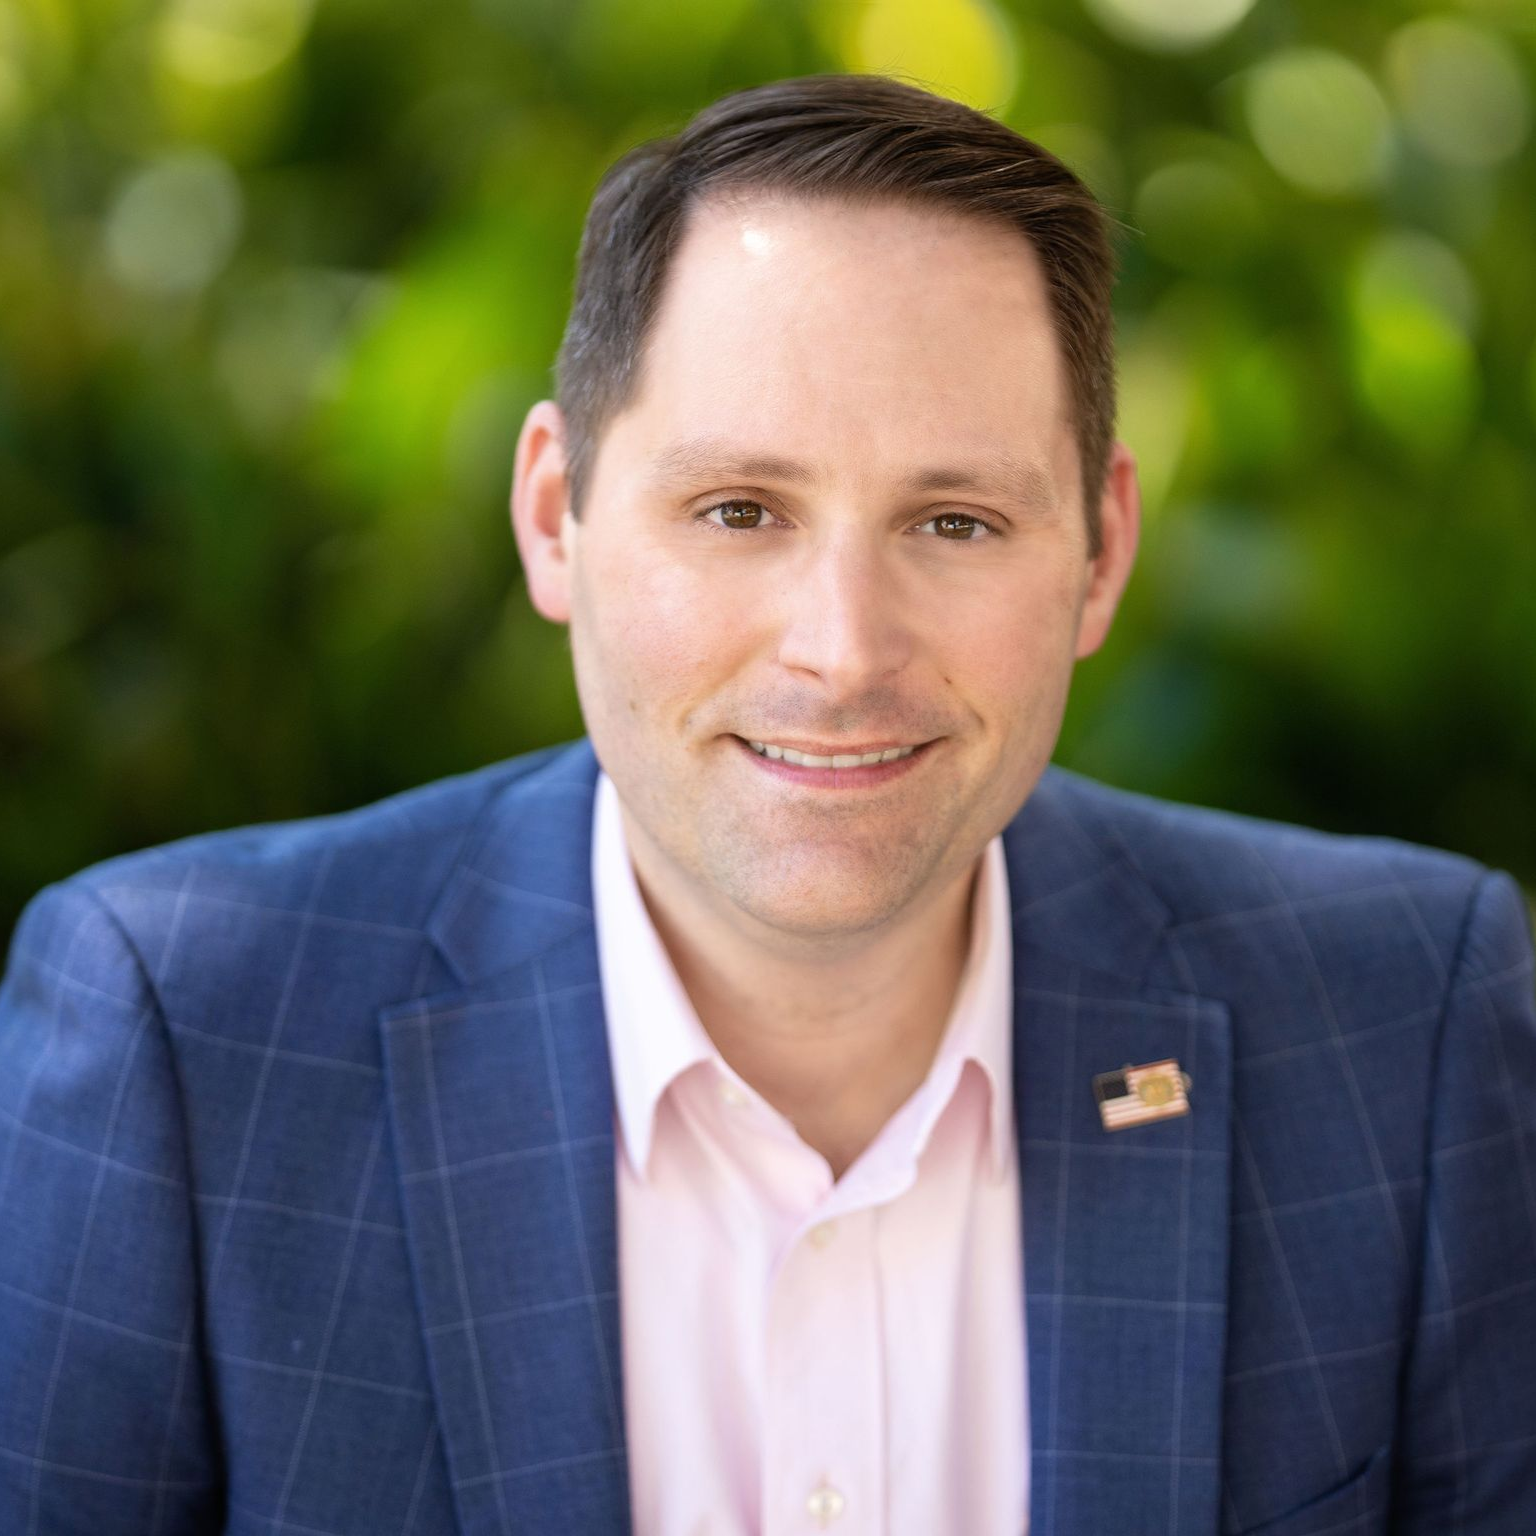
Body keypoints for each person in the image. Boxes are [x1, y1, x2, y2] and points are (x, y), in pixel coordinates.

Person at [1, 72, 1532, 1536]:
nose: (843, 649)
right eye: (740, 511)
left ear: (1101, 551)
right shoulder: (188, 1040)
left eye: (956, 518)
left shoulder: (1406, 1020)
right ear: (558, 518)